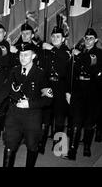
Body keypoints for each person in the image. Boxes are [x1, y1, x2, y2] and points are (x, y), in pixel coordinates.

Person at [0, 43, 53, 167]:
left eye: (26, 55)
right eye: (21, 54)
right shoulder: (14, 70)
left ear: (33, 56)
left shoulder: (40, 73)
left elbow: (48, 99)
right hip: (14, 113)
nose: (23, 57)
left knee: (32, 145)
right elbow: (5, 88)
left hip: (32, 115)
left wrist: (30, 104)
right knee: (9, 143)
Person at [65, 28, 102, 160]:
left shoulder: (98, 53)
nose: (87, 41)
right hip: (78, 90)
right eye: (86, 38)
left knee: (89, 122)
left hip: (92, 91)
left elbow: (90, 65)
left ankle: (86, 146)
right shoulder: (77, 52)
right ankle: (72, 150)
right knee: (76, 120)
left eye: (91, 38)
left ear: (96, 40)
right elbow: (70, 72)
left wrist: (79, 55)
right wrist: (68, 91)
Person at [38, 26, 71, 154]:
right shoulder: (47, 51)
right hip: (48, 84)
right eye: (53, 36)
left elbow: (64, 58)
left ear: (63, 39)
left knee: (59, 117)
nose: (55, 38)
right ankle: (41, 143)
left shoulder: (66, 51)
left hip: (61, 86)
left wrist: (51, 48)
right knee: (46, 116)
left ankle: (58, 146)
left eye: (58, 36)